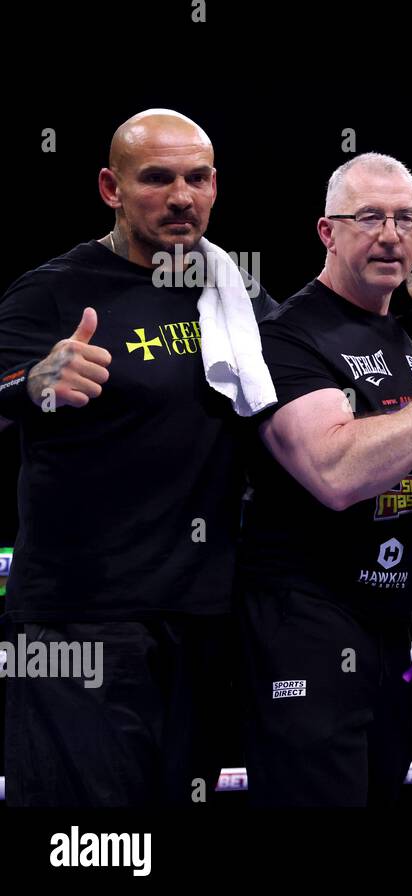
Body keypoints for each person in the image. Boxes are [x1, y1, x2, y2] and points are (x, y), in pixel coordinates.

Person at [0, 109, 273, 806]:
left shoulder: (231, 290)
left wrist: (409, 284)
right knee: (89, 843)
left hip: (200, 615)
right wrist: (33, 385)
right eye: (157, 178)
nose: (181, 196)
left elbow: (312, 331)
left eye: (198, 178)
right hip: (77, 618)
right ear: (110, 188)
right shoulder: (53, 290)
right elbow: (7, 387)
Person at [236, 153, 412, 805]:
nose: (389, 233)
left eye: (404, 219)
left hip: (384, 627)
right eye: (369, 218)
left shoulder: (404, 327)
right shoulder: (288, 336)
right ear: (327, 231)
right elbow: (337, 472)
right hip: (304, 624)